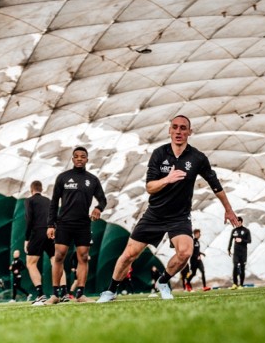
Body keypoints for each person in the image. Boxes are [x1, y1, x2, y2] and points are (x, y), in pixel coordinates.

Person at [97, 115, 239, 303]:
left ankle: (163, 282)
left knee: (185, 252)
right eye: (175, 127)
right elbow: (150, 187)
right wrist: (167, 179)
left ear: (190, 132)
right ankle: (110, 290)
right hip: (154, 214)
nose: (179, 131)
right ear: (169, 130)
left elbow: (216, 185)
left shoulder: (197, 157)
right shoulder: (159, 154)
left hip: (179, 217)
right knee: (129, 254)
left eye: (183, 128)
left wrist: (228, 210)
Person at [46, 146, 107, 304]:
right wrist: (50, 224)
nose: (79, 159)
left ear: (87, 159)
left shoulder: (92, 179)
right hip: (64, 223)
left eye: (83, 156)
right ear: (72, 159)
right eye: (76, 156)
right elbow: (53, 202)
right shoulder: (63, 178)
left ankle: (80, 295)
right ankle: (55, 295)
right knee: (59, 256)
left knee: (84, 257)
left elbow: (103, 200)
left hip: (83, 224)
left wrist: (98, 208)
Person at [23, 180, 57, 305]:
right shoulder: (48, 201)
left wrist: (27, 239)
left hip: (37, 232)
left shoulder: (29, 200)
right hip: (51, 232)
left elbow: (29, 220)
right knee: (55, 262)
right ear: (41, 189)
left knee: (31, 263)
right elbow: (55, 216)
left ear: (31, 190)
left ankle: (40, 294)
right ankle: (61, 293)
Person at [228, 217, 251, 289]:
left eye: (238, 222)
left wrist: (241, 240)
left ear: (241, 222)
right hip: (236, 252)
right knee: (235, 266)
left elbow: (249, 241)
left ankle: (241, 284)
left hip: (243, 253)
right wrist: (229, 249)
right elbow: (231, 240)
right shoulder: (234, 231)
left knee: (242, 268)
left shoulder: (246, 230)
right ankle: (235, 284)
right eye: (235, 222)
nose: (236, 223)